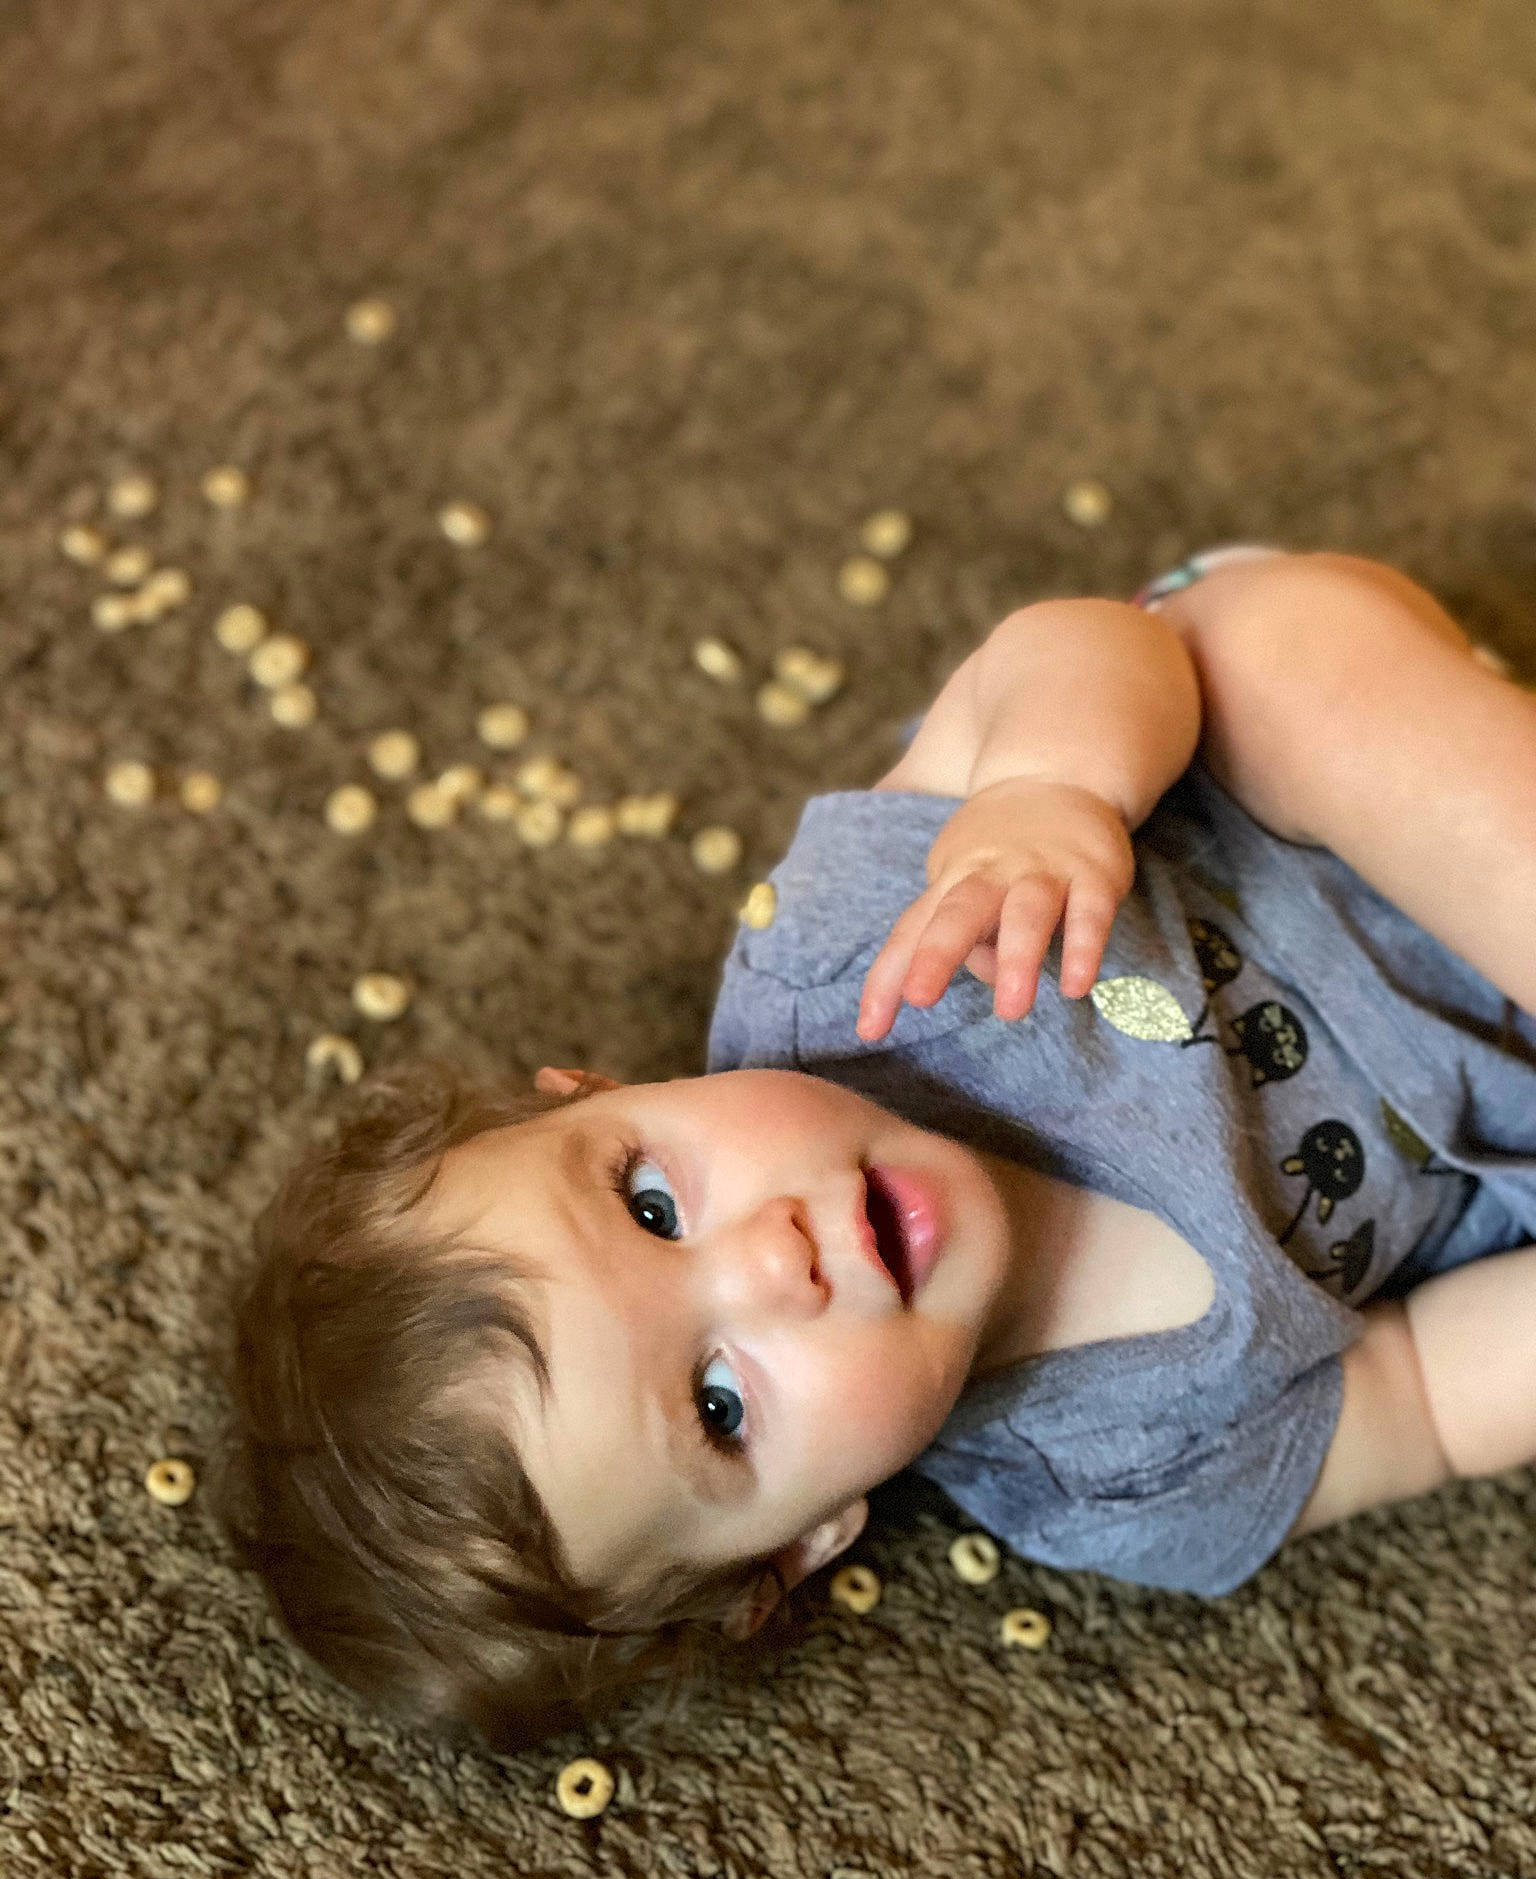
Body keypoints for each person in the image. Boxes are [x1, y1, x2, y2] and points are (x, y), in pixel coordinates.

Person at [212, 545, 1536, 1754]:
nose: (772, 1263)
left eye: (654, 1203)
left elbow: (1074, 650)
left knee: (1266, 645)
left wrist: (1048, 788)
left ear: (604, 1089)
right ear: (800, 1542)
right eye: (719, 1405)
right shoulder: (1120, 1479)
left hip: (1324, 789)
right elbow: (1419, 1397)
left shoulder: (859, 968)